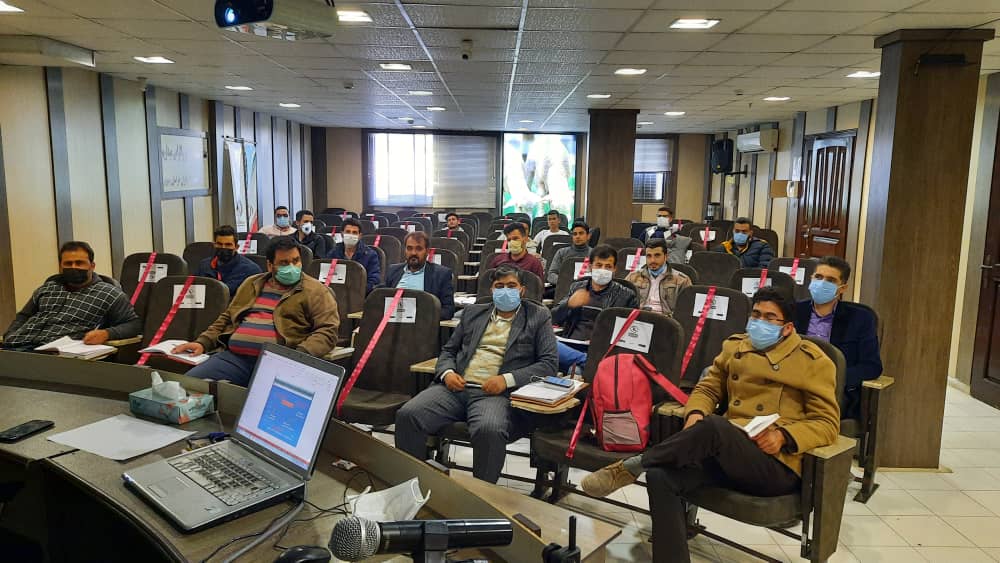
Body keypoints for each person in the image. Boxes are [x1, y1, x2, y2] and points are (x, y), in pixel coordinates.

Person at [581, 287, 839, 563]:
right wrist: (695, 414)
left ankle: (631, 467)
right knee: (660, 476)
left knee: (715, 427)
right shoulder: (736, 346)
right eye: (756, 315)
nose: (759, 322)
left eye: (769, 317)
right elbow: (708, 388)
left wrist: (784, 435)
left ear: (787, 328)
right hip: (730, 452)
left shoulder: (812, 361)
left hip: (775, 463)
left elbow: (827, 423)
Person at [394, 266, 558, 483]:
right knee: (408, 414)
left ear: (522, 290)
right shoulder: (473, 313)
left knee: (489, 430)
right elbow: (448, 350)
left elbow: (548, 364)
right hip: (456, 387)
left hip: (496, 394)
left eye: (511, 286)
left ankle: (481, 494)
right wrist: (447, 373)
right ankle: (410, 484)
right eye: (500, 286)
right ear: (492, 290)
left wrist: (506, 380)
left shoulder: (538, 316)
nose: (505, 291)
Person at [173, 238, 340, 386]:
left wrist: (299, 356)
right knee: (187, 386)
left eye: (296, 261)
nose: (292, 267)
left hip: (280, 363)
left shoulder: (315, 291)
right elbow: (227, 318)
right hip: (235, 358)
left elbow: (327, 331)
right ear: (270, 265)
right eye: (284, 263)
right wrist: (203, 342)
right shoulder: (252, 283)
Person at [2, 241, 141, 350]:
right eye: (68, 263)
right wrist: (10, 334)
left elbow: (134, 325)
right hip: (16, 346)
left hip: (56, 354)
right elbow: (24, 316)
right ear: (60, 266)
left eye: (79, 263)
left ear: (92, 266)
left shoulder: (110, 294)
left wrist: (106, 334)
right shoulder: (47, 288)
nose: (73, 267)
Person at [794, 256, 881, 420]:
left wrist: (833, 378)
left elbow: (871, 367)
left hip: (832, 392)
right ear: (811, 279)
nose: (822, 283)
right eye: (818, 277)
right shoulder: (794, 311)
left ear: (842, 288)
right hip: (792, 384)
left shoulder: (861, 318)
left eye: (831, 280)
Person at [551, 245, 638, 374]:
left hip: (600, 349)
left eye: (608, 266)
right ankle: (585, 361)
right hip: (570, 344)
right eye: (599, 265)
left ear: (614, 269)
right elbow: (554, 318)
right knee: (546, 343)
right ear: (590, 266)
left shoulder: (627, 295)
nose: (603, 270)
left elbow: (631, 335)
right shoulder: (577, 287)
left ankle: (585, 362)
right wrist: (568, 304)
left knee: (574, 370)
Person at [384, 231, 455, 320]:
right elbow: (381, 300)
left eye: (419, 249)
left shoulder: (441, 274)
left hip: (421, 324)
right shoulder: (393, 270)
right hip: (392, 322)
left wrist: (419, 316)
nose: (413, 253)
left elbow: (448, 310)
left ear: (427, 251)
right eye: (409, 248)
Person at [625, 238, 692, 316]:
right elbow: (622, 303)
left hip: (666, 320)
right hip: (638, 318)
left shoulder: (682, 280)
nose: (652, 260)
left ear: (666, 256)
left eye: (657, 255)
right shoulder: (632, 277)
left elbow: (686, 311)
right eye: (649, 256)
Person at [195, 225, 262, 297]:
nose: (223, 247)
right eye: (219, 244)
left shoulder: (251, 271)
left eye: (228, 245)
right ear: (214, 245)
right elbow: (194, 291)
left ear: (236, 247)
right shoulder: (204, 265)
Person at [328, 218, 381, 294]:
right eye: (348, 232)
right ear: (342, 234)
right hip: (336, 293)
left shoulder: (370, 255)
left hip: (360, 294)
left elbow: (374, 279)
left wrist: (358, 292)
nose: (351, 235)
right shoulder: (333, 253)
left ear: (360, 236)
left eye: (354, 232)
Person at [546, 221, 592, 285]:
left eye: (581, 233)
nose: (577, 236)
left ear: (588, 236)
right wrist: (567, 282)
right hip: (565, 288)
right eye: (575, 234)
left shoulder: (595, 254)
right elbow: (551, 275)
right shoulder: (561, 252)